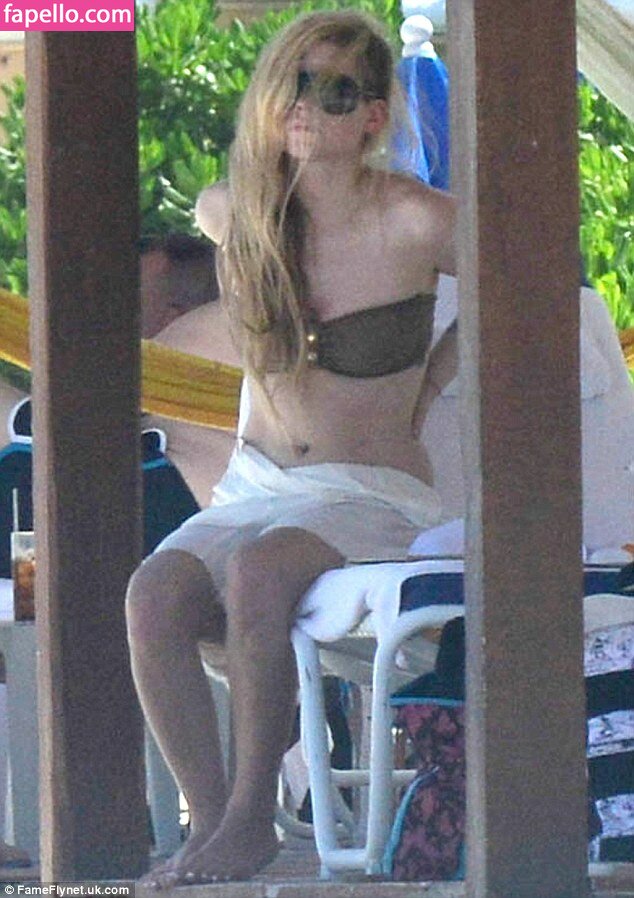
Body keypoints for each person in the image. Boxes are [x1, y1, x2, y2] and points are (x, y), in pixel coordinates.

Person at [125, 9, 456, 887]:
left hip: (370, 491)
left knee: (260, 573)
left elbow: (537, 283)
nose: (307, 105)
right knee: (154, 593)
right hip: (258, 483)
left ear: (374, 115)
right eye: (293, 84)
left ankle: (248, 821)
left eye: (335, 91)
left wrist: (432, 383)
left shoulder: (415, 221)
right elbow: (214, 204)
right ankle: (212, 821)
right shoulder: (249, 215)